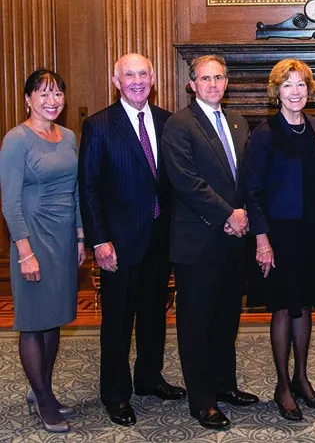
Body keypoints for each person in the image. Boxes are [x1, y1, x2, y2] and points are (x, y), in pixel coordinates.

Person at [78, 53, 186, 426]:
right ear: (116, 80)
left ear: (152, 77)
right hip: (119, 243)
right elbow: (88, 188)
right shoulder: (99, 125)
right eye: (129, 75)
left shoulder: (166, 121)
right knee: (118, 321)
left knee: (155, 314)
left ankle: (149, 378)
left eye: (143, 74)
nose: (137, 81)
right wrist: (99, 241)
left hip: (160, 238)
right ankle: (116, 393)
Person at [161, 54, 258, 430]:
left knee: (225, 320)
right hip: (198, 240)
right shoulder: (179, 124)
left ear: (226, 82)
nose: (213, 84)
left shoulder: (237, 122)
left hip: (234, 240)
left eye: (219, 78)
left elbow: (246, 176)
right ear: (192, 84)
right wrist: (227, 215)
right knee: (196, 323)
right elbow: (185, 180)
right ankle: (202, 400)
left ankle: (224, 385)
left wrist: (245, 212)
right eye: (205, 79)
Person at [242, 59, 315, 421]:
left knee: (307, 304)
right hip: (279, 233)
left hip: (312, 230)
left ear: (309, 89)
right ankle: (282, 384)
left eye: (300, 84)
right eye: (287, 85)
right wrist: (262, 240)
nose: (295, 92)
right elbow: (252, 192)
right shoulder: (264, 133)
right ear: (276, 92)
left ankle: (301, 378)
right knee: (283, 306)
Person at [0, 69, 86, 433]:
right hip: (33, 237)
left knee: (54, 318)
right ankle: (43, 398)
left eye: (57, 94)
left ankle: (43, 390)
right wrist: (24, 252)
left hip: (64, 237)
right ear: (28, 100)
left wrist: (81, 235)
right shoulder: (16, 140)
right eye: (43, 94)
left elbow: (76, 188)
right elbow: (10, 201)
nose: (52, 101)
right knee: (34, 322)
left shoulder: (67, 136)